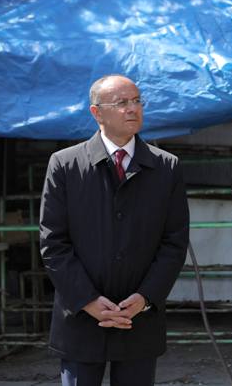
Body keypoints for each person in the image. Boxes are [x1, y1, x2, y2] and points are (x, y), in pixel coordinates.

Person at [39, 75, 190, 386]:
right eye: (121, 103)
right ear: (97, 113)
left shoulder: (166, 167)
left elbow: (174, 243)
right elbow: (53, 243)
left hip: (138, 317)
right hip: (81, 316)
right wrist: (87, 300)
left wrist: (146, 297)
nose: (132, 109)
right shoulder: (65, 165)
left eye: (136, 101)